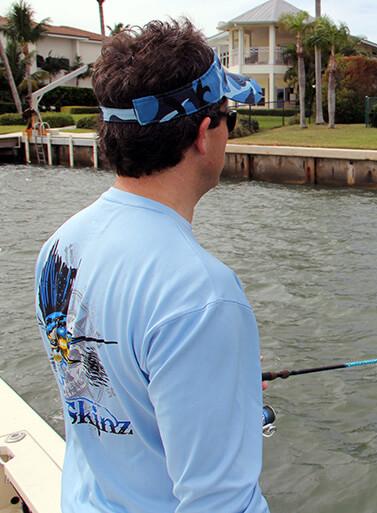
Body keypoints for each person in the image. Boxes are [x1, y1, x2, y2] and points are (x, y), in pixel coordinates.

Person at [34, 19, 270, 513]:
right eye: (230, 116)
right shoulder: (202, 295)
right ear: (206, 133)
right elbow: (219, 504)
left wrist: (213, 382)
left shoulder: (60, 247)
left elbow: (106, 392)